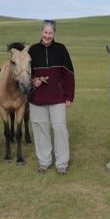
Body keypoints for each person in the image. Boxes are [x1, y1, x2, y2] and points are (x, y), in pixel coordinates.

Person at [28, 20, 75, 175]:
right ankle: (44, 162)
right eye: (45, 32)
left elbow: (68, 74)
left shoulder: (61, 49)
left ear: (54, 34)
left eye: (50, 33)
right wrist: (33, 80)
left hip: (58, 97)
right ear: (41, 32)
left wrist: (69, 97)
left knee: (60, 128)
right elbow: (24, 72)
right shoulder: (32, 50)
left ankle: (62, 163)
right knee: (41, 129)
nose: (48, 36)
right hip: (37, 97)